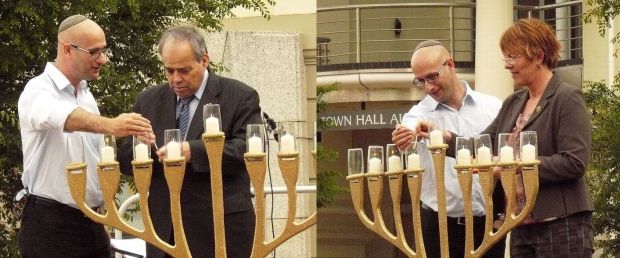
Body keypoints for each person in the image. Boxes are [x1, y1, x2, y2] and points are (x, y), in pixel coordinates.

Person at [118, 24, 261, 258]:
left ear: (204, 60)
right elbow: (124, 158)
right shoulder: (148, 100)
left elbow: (248, 149)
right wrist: (143, 148)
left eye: (184, 70)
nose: (176, 79)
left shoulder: (239, 96)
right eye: (169, 70)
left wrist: (194, 151)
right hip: (165, 232)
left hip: (220, 230)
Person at [17, 14, 152, 257]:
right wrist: (110, 125)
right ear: (68, 50)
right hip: (52, 226)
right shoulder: (37, 90)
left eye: (104, 50)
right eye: (94, 52)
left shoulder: (86, 95)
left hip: (92, 221)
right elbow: (63, 117)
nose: (104, 59)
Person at [484, 18, 592, 257]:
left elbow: (575, 161)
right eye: (505, 57)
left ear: (539, 57)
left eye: (513, 57)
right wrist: (440, 137)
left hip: (562, 225)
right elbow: (481, 144)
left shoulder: (567, 98)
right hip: (521, 226)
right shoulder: (513, 103)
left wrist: (518, 166)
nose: (507, 65)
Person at [392, 40, 505, 258]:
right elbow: (408, 128)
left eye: (433, 77)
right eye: (421, 81)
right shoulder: (419, 114)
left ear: (450, 65)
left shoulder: (493, 107)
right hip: (438, 227)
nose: (428, 87)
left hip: (488, 225)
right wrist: (405, 134)